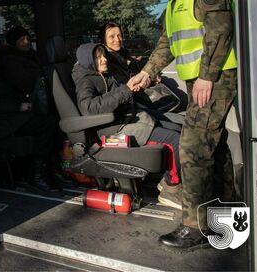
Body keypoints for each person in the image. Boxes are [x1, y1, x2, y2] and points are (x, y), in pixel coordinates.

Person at [129, 0, 238, 249]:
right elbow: (168, 43)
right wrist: (147, 73)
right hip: (201, 80)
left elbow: (220, 30)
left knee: (191, 146)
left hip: (215, 77)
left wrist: (207, 75)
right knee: (214, 146)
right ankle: (227, 215)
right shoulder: (176, 0)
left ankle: (195, 225)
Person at [72, 43, 182, 208]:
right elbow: (89, 108)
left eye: (103, 56)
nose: (104, 60)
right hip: (114, 129)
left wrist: (132, 89)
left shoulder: (105, 74)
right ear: (89, 60)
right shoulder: (86, 81)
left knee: (177, 128)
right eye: (98, 57)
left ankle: (168, 178)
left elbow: (119, 94)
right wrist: (125, 91)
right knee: (175, 140)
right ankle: (171, 190)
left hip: (127, 119)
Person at [0, 24, 61, 196]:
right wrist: (17, 106)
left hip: (1, 115)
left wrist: (24, 100)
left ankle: (46, 170)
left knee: (47, 119)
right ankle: (36, 177)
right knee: (44, 124)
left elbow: (6, 90)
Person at [99, 22, 187, 112]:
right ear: (103, 40)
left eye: (119, 35)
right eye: (111, 37)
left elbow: (139, 72)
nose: (117, 39)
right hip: (130, 105)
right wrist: (141, 83)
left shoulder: (125, 55)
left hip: (141, 98)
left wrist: (150, 77)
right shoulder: (104, 62)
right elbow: (121, 87)